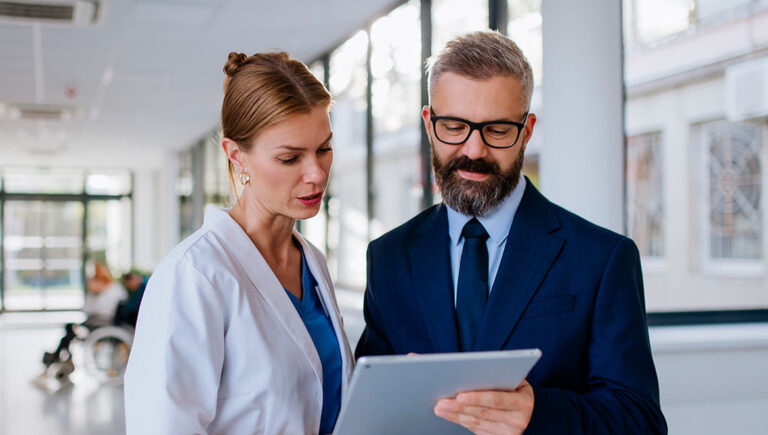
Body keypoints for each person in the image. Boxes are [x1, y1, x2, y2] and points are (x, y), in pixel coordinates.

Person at [355, 31, 667, 434]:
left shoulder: (602, 258)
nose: (473, 150)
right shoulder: (389, 257)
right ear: (429, 124)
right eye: (454, 126)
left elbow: (640, 422)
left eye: (497, 130)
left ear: (527, 129)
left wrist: (537, 414)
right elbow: (370, 410)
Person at [124, 51, 353, 435]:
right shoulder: (194, 275)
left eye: (324, 149)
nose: (315, 174)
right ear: (237, 155)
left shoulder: (311, 261)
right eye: (290, 157)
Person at [41, 260, 127, 369]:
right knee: (69, 330)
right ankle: (61, 358)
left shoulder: (113, 291)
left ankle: (58, 358)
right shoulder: (104, 291)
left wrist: (95, 294)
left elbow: (102, 311)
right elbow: (87, 309)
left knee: (70, 331)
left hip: (102, 324)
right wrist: (92, 293)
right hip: (97, 322)